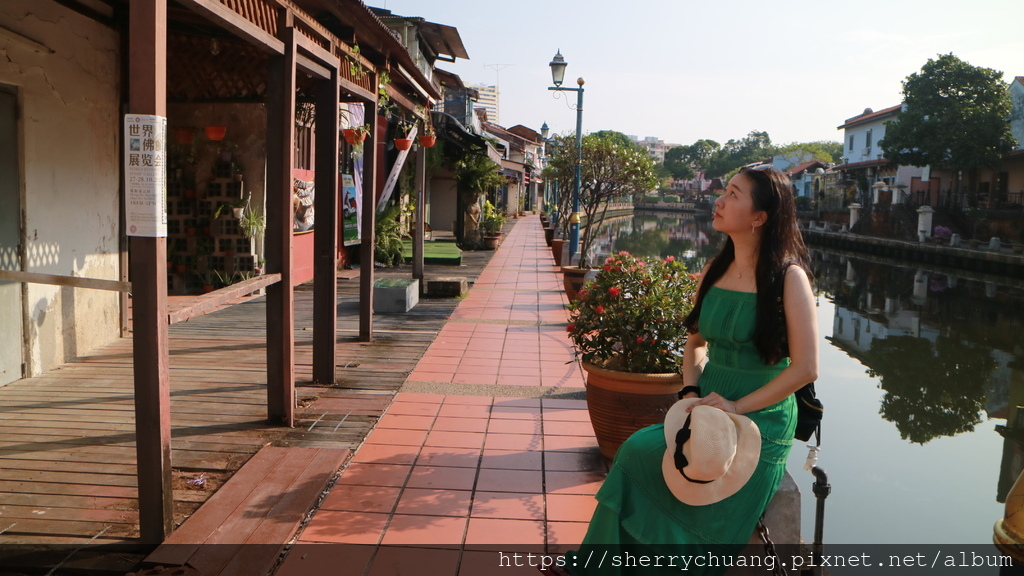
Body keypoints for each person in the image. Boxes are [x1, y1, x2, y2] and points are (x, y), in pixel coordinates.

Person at [553, 165, 818, 575]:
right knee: (637, 452)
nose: (719, 200)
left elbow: (805, 368)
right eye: (724, 191)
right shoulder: (715, 270)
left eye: (733, 194)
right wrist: (690, 392)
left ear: (760, 216)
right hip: (706, 403)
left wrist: (736, 407)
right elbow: (695, 344)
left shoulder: (789, 278)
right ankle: (598, 566)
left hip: (760, 415)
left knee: (661, 462)